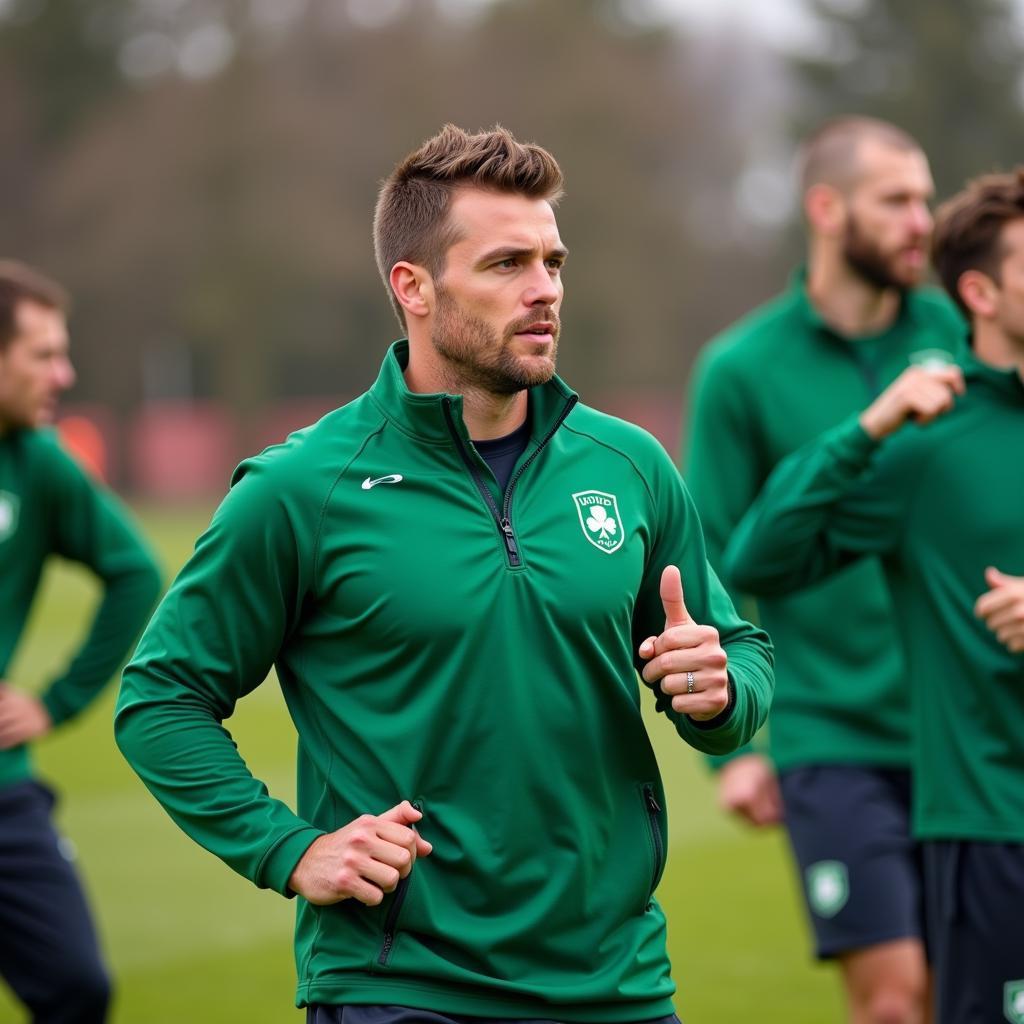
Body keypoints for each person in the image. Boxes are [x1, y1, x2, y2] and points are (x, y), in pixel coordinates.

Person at [115, 124, 774, 1023]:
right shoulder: (303, 488)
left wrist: (723, 689)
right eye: (507, 264)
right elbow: (161, 699)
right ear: (413, 286)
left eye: (553, 261)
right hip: (402, 987)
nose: (545, 290)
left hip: (619, 984)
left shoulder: (630, 465)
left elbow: (740, 648)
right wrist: (290, 849)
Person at [722, 167, 1024, 1024]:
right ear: (982, 293)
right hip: (993, 821)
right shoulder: (928, 446)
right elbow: (758, 555)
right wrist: (866, 430)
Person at [682, 117, 965, 1023]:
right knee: (893, 1001)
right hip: (833, 737)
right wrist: (735, 752)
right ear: (827, 208)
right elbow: (712, 564)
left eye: (927, 198)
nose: (923, 220)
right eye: (898, 201)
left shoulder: (968, 332)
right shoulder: (740, 368)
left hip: (973, 727)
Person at [0, 261, 162, 1023]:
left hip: (5, 792)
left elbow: (135, 572)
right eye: (42, 354)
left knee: (77, 986)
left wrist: (56, 700)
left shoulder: (38, 467)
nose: (63, 374)